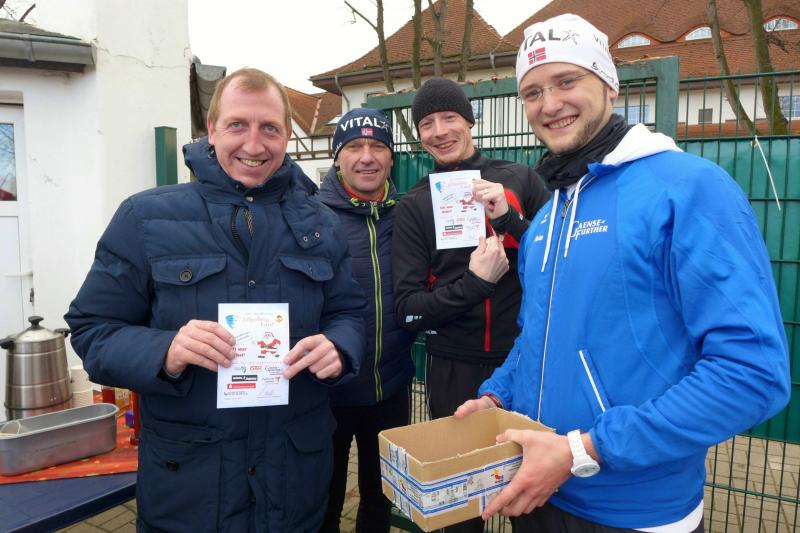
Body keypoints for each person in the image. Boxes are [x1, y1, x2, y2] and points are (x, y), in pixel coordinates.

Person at [455, 13, 791, 533]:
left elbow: (752, 375)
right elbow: (538, 337)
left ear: (609, 84)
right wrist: (498, 396)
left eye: (567, 81)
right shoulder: (548, 215)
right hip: (538, 488)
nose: (549, 104)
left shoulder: (689, 187)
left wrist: (585, 450)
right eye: (532, 92)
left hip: (638, 512)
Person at [65, 68, 366, 532]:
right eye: (237, 125)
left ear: (287, 135)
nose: (254, 144)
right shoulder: (145, 218)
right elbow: (92, 330)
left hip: (293, 485)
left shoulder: (321, 223)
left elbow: (349, 312)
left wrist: (339, 347)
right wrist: (164, 350)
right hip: (190, 490)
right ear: (211, 129)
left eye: (269, 128)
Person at [392, 77, 549, 533]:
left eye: (449, 118)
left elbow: (558, 263)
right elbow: (408, 309)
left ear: (469, 121)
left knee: (534, 498)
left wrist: (510, 220)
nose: (439, 131)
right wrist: (476, 284)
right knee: (459, 510)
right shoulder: (414, 204)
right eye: (427, 123)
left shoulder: (519, 179)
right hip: (453, 369)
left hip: (523, 362)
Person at [317, 108, 415, 533]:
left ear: (391, 157)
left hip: (391, 385)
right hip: (328, 392)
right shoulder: (310, 216)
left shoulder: (409, 214)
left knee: (380, 497)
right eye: (354, 146)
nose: (367, 157)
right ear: (338, 157)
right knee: (324, 498)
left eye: (378, 146)